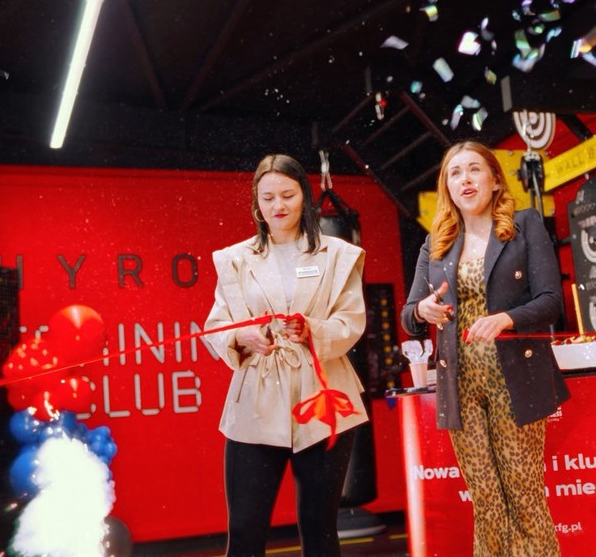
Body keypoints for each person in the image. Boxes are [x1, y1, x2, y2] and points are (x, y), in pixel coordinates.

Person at [401, 141, 569, 556]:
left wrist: (507, 318)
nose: (465, 180)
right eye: (455, 173)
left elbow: (551, 301)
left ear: (495, 180)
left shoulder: (524, 225)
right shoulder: (435, 243)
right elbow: (408, 315)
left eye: (474, 169)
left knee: (524, 493)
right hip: (460, 385)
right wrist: (422, 310)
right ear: (447, 187)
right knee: (487, 501)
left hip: (515, 377)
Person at [204, 153, 369, 557]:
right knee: (244, 529)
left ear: (305, 198)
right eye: (268, 198)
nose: (278, 205)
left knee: (319, 528)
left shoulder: (338, 254)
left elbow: (350, 321)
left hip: (322, 396)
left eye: (288, 195)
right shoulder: (235, 259)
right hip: (256, 399)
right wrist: (243, 336)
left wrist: (314, 330)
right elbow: (217, 325)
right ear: (257, 204)